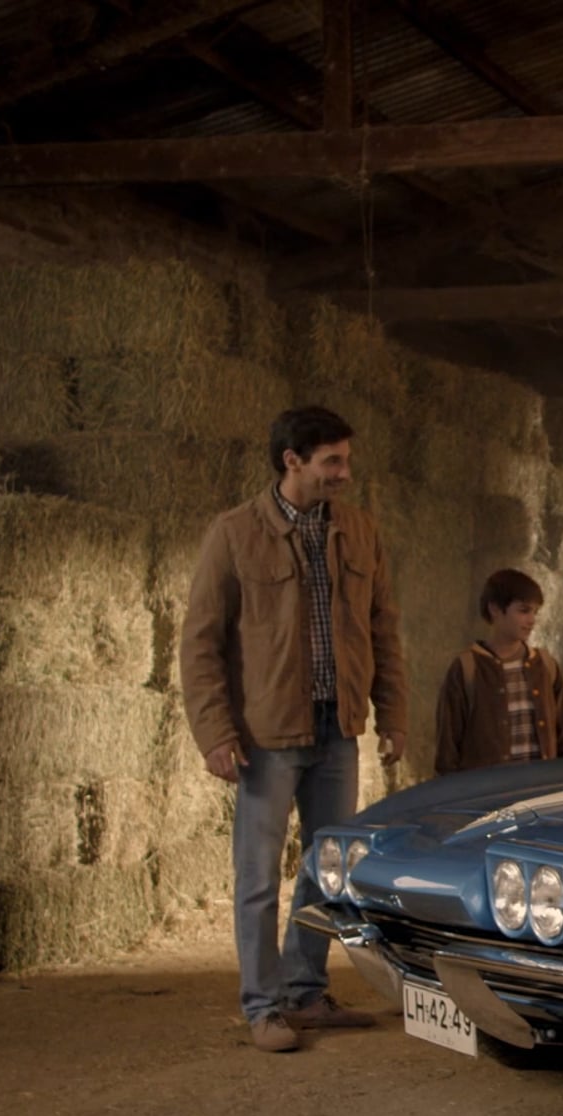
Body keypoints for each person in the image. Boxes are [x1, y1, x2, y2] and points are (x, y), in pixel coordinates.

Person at [180, 406, 407, 1053]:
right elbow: (200, 643)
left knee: (326, 869)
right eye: (333, 461)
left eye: (346, 460)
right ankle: (263, 1006)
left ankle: (305, 992)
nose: (345, 473)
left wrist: (392, 714)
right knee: (257, 878)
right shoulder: (234, 534)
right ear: (292, 461)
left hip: (338, 729)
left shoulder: (359, 530)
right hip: (268, 737)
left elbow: (384, 628)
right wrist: (215, 733)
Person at [433, 568, 563, 774]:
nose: (531, 620)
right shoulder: (467, 668)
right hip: (489, 788)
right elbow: (448, 744)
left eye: (535, 612)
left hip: (540, 784)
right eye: (523, 611)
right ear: (495, 609)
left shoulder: (545, 665)